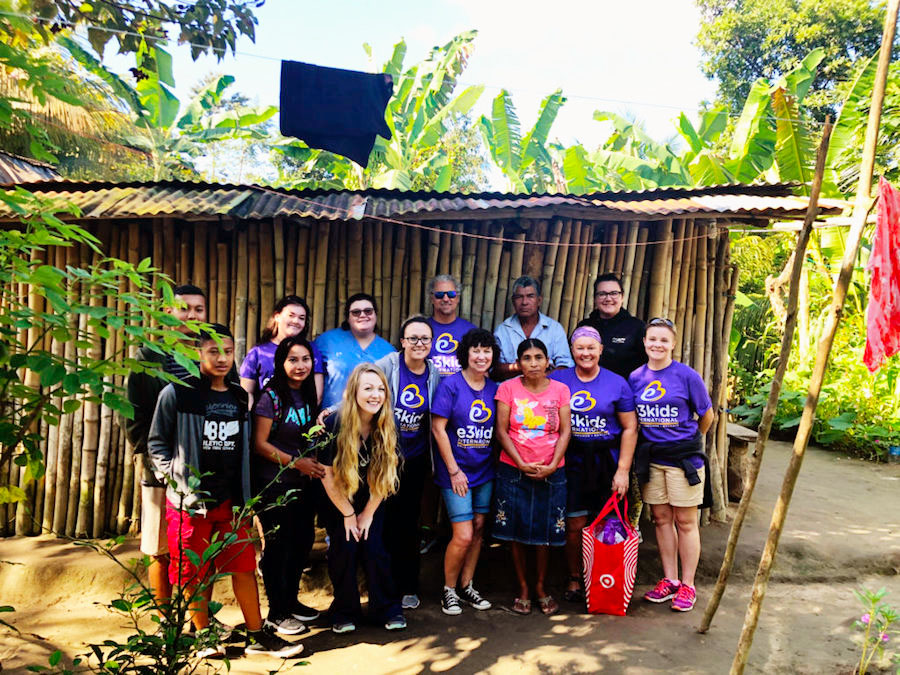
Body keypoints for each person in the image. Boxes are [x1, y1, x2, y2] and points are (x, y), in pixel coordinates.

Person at [147, 325, 303, 658]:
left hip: (232, 502)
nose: (221, 358)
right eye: (213, 351)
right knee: (194, 571)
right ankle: (203, 636)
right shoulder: (177, 393)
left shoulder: (238, 396)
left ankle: (256, 636)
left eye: (228, 352)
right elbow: (157, 442)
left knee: (244, 566)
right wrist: (173, 477)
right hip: (191, 502)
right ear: (198, 353)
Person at [125, 284, 207, 626]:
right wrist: (153, 461)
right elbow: (135, 416)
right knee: (159, 545)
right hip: (160, 465)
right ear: (167, 312)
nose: (192, 315)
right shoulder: (148, 356)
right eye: (184, 308)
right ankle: (165, 620)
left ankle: (200, 619)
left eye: (199, 309)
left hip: (202, 467)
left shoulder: (212, 353)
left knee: (197, 546)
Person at [628, 317, 715, 613]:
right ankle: (670, 580)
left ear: (673, 344)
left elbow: (707, 415)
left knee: (686, 521)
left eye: (664, 340)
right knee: (661, 519)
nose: (657, 344)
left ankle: (688, 585)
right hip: (653, 461)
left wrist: (688, 441)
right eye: (652, 339)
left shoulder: (687, 376)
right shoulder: (636, 377)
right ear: (644, 342)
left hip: (683, 460)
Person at [549, 326, 638, 603]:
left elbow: (630, 428)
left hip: (607, 461)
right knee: (574, 523)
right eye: (580, 348)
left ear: (600, 350)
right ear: (572, 351)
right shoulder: (558, 380)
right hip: (572, 460)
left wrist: (623, 470)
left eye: (591, 348)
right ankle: (575, 577)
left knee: (610, 522)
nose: (585, 353)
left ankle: (605, 578)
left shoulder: (617, 383)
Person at [319, 363, 406, 633]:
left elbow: (387, 473)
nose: (375, 395)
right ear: (354, 391)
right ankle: (344, 611)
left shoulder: (390, 423)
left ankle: (387, 608)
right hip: (338, 497)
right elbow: (326, 474)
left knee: (374, 547)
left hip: (373, 497)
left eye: (381, 389)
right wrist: (348, 514)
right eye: (368, 388)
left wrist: (367, 513)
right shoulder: (335, 423)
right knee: (344, 548)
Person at [251, 335, 324, 636]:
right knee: (278, 548)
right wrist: (296, 463)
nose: (300, 365)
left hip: (302, 485)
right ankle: (276, 613)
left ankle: (291, 602)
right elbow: (259, 444)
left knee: (301, 543)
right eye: (293, 359)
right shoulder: (270, 397)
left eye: (305, 359)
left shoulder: (306, 394)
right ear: (281, 363)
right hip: (273, 485)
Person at [493, 338, 571, 616]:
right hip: (514, 470)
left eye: (539, 357)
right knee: (515, 531)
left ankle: (540, 586)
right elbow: (501, 431)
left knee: (544, 532)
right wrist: (521, 463)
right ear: (518, 363)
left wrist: (552, 464)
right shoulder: (507, 388)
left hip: (552, 472)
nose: (534, 363)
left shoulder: (561, 390)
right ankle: (523, 588)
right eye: (527, 358)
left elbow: (565, 431)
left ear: (548, 361)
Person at [375, 316, 442, 611]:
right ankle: (382, 587)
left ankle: (408, 586)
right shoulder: (388, 365)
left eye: (425, 339)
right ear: (402, 341)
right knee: (383, 522)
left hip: (414, 461)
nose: (419, 343)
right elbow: (361, 391)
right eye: (413, 338)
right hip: (382, 459)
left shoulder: (434, 374)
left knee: (409, 523)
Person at [431, 328, 499, 616]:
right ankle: (448, 590)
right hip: (455, 471)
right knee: (463, 534)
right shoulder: (451, 385)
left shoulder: (495, 388)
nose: (481, 356)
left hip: (485, 470)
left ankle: (467, 585)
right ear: (465, 354)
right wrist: (454, 470)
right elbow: (438, 428)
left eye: (486, 351)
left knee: (480, 528)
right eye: (476, 350)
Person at [315, 293, 394, 410]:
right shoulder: (326, 341)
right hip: (330, 416)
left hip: (371, 418)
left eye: (368, 311)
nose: (362, 315)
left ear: (376, 315)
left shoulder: (389, 351)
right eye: (356, 312)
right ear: (348, 318)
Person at [240, 295, 325, 405]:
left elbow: (317, 395)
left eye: (301, 318)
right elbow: (246, 393)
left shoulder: (312, 350)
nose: (296, 321)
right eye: (291, 315)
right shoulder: (258, 352)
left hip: (301, 414)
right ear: (277, 316)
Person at [494, 276, 573, 380]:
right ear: (513, 301)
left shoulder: (555, 329)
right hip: (511, 389)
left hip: (547, 387)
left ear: (539, 300)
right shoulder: (502, 330)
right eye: (519, 297)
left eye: (530, 296)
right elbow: (495, 370)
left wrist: (540, 378)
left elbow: (565, 366)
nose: (524, 302)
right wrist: (528, 367)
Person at [578, 273, 647, 379]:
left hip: (625, 387)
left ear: (622, 297)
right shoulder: (584, 326)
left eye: (614, 293)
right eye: (602, 294)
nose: (608, 298)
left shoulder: (637, 327)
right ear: (595, 298)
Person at [426, 274, 477, 377]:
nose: (445, 299)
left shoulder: (471, 331)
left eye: (451, 294)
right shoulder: (422, 329)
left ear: (457, 298)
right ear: (431, 298)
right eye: (439, 295)